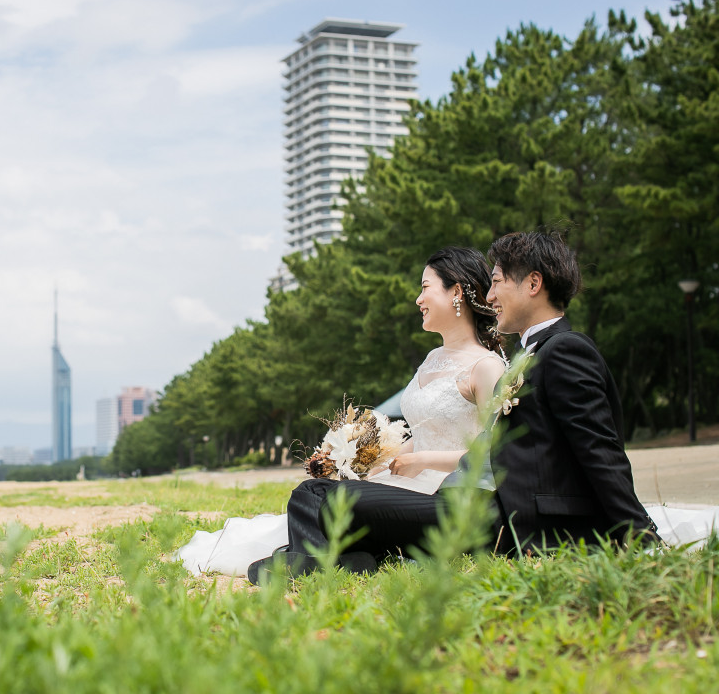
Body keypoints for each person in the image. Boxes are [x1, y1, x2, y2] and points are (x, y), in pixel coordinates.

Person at [176, 246, 506, 578]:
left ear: (456, 292)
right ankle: (334, 559)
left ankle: (307, 558)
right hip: (407, 480)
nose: (418, 299)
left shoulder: (486, 367)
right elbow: (423, 436)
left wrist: (420, 462)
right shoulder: (431, 360)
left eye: (425, 288)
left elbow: (493, 452)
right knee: (310, 492)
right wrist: (371, 462)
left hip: (444, 490)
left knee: (324, 498)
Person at [484, 231, 658, 552]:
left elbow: (599, 449)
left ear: (533, 284)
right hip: (503, 516)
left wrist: (642, 537)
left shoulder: (566, 349)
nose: (489, 296)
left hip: (548, 529)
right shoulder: (528, 357)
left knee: (369, 505)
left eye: (496, 282)